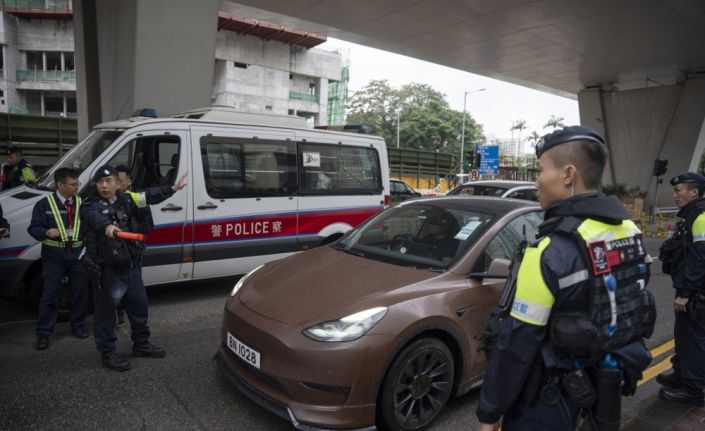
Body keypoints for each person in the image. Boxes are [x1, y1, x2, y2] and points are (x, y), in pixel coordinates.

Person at [476, 126, 655, 430]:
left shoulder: (549, 252)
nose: (536, 181)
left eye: (540, 170)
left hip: (547, 402)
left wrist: (489, 414)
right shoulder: (629, 233)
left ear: (568, 175)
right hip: (606, 387)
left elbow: (517, 344)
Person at [81, 165, 187, 371]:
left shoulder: (127, 199)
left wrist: (173, 189)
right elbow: (96, 219)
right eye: (100, 182)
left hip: (131, 265)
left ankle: (141, 344)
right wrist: (108, 227)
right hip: (107, 269)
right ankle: (108, 353)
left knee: (139, 306)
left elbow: (149, 196)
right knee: (107, 313)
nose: (104, 186)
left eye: (108, 181)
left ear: (117, 183)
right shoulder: (90, 206)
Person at [112, 165, 186, 325]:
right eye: (115, 180)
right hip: (113, 254)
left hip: (132, 252)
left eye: (121, 180)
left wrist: (131, 234)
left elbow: (148, 219)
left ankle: (137, 327)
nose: (117, 184)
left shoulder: (135, 198)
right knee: (113, 288)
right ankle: (116, 314)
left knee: (134, 291)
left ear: (129, 181)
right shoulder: (104, 200)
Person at [656, 172, 705, 406]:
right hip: (691, 288)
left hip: (695, 292)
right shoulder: (691, 215)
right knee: (684, 336)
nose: (675, 195)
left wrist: (686, 293)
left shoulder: (701, 217)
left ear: (694, 192)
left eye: (679, 190)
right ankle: (681, 375)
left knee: (693, 339)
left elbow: (700, 258)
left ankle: (694, 390)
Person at [27, 167, 89, 350]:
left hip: (78, 255)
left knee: (80, 292)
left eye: (77, 183)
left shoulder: (82, 203)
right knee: (50, 295)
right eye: (73, 184)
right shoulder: (44, 205)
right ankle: (44, 333)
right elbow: (33, 228)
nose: (77, 187)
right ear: (60, 184)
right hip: (54, 256)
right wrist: (45, 231)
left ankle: (78, 326)